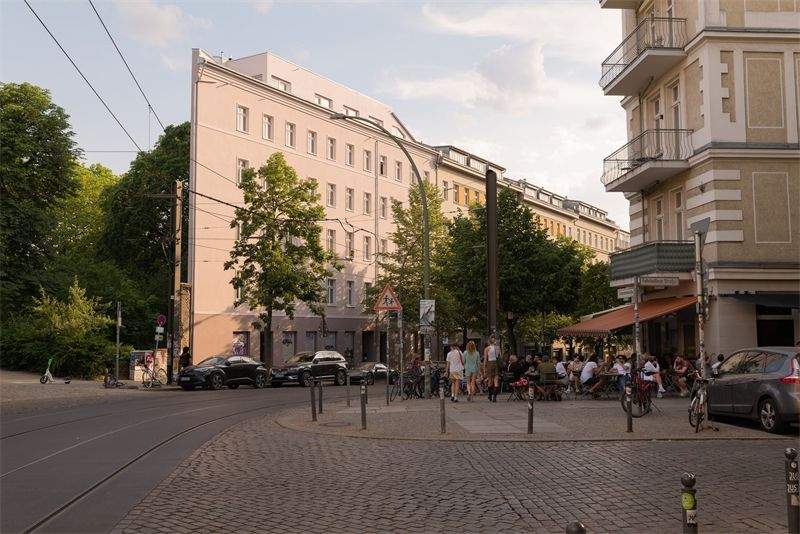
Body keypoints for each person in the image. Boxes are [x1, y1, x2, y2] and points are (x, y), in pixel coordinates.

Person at [483, 335, 501, 402]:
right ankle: (494, 397)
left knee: (490, 380)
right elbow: (499, 356)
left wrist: (484, 368)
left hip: (490, 363)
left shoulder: (487, 349)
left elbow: (485, 359)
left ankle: (490, 395)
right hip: (496, 363)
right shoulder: (497, 348)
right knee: (496, 380)